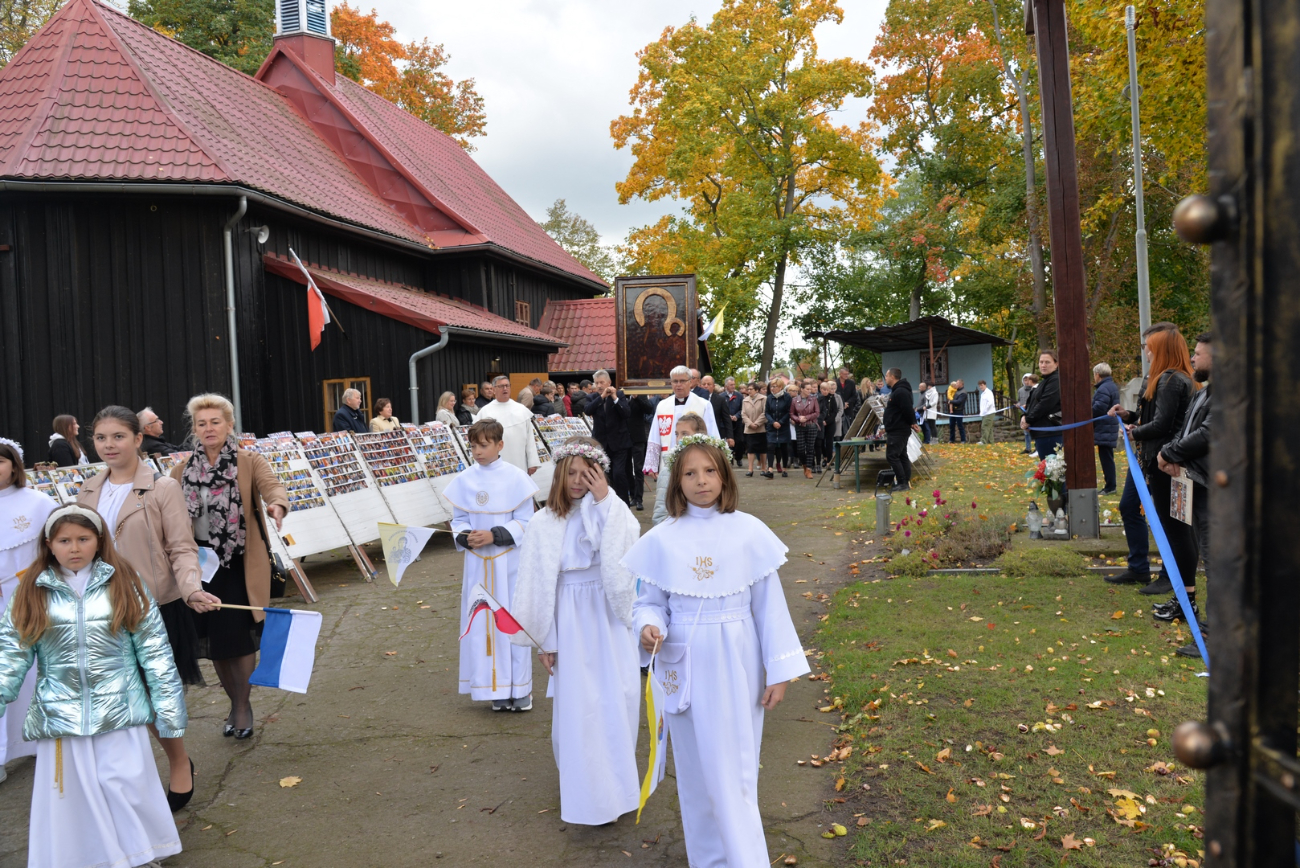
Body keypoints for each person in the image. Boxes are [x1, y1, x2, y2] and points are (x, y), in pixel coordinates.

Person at [625, 436, 809, 868]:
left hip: (737, 661)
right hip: (685, 662)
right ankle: (708, 859)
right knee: (695, 772)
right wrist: (649, 627)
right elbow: (648, 601)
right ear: (676, 481)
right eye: (690, 473)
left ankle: (746, 860)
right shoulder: (662, 539)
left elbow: (769, 608)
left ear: (725, 477)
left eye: (709, 471)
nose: (701, 481)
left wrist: (778, 670)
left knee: (736, 770)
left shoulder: (748, 532)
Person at [0, 503, 186, 867]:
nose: (74, 548)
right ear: (48, 543)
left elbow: (155, 652)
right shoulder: (30, 592)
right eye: (64, 540)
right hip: (63, 716)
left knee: (126, 784)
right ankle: (89, 857)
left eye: (83, 539)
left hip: (122, 710)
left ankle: (140, 852)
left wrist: (168, 709)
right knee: (75, 795)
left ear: (98, 541)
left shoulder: (125, 584)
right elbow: (11, 654)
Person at [80, 406, 216, 811]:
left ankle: (178, 761)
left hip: (151, 608)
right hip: (100, 609)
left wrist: (191, 588)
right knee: (116, 698)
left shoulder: (161, 488)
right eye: (101, 438)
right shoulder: (87, 488)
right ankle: (125, 778)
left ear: (138, 439)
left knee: (153, 696)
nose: (108, 445)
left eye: (118, 437)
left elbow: (180, 546)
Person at [511, 437, 642, 824]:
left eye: (587, 474)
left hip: (606, 613)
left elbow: (624, 549)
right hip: (567, 617)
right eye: (570, 473)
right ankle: (585, 791)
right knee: (578, 708)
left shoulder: (612, 511)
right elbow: (537, 584)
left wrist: (605, 501)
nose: (577, 481)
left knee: (617, 699)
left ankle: (616, 789)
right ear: (557, 474)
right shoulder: (542, 522)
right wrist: (545, 640)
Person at [171, 393, 288, 741]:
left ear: (229, 424)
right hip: (199, 565)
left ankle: (242, 706)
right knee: (216, 642)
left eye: (215, 422)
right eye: (201, 424)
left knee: (236, 638)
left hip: (238, 561)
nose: (208, 429)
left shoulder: (248, 461)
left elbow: (273, 487)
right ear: (195, 429)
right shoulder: (180, 470)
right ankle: (234, 702)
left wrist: (277, 506)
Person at [444, 419, 538, 711]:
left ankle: (520, 689)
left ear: (499, 445)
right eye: (473, 445)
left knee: (511, 622)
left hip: (507, 564)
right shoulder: (464, 480)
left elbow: (526, 521)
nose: (477, 451)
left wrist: (494, 535)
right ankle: (492, 689)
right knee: (482, 622)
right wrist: (466, 536)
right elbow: (458, 520)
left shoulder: (515, 478)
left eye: (484, 445)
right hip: (477, 567)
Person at [1106, 325, 1197, 597]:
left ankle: (1172, 577)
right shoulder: (1158, 378)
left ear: (1161, 349)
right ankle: (1138, 568)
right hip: (1147, 458)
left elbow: (1162, 425)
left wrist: (1136, 432)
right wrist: (1129, 416)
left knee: (1172, 521)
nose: (1145, 350)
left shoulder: (1172, 380)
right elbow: (1151, 418)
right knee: (1128, 506)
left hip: (1164, 460)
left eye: (1148, 346)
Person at [0, 438, 54, 784]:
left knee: (34, 668)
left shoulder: (37, 502)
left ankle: (37, 739)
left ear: (14, 465)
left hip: (30, 598)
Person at [1157, 332, 1212, 654]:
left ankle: (1214, 637)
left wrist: (1168, 454)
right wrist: (1171, 453)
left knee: (1218, 564)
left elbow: (1207, 433)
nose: (1194, 358)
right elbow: (1185, 430)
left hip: (1217, 488)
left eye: (1199, 353)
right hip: (1199, 481)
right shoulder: (1203, 393)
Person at [644, 366, 719, 522]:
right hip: (668, 461)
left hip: (695, 461)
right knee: (669, 496)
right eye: (675, 381)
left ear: (690, 382)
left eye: (682, 381)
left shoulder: (703, 405)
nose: (678, 385)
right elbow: (655, 434)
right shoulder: (662, 406)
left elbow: (713, 434)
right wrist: (652, 462)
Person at [476, 375, 542, 476]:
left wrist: (532, 462)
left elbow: (530, 439)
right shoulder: (485, 412)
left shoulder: (521, 410)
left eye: (507, 386)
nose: (505, 389)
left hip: (519, 461)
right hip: (494, 463)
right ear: (494, 389)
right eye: (501, 386)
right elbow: (478, 440)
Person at [588, 370, 633, 505]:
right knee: (605, 476)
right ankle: (608, 503)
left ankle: (624, 504)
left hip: (619, 443)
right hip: (601, 443)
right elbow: (588, 410)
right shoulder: (593, 398)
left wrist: (614, 397)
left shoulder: (619, 395)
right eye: (597, 383)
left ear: (609, 382)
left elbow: (626, 413)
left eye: (602, 382)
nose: (599, 385)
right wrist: (601, 397)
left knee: (618, 474)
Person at [653, 413, 707, 525]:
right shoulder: (668, 471)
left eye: (685, 434)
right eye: (677, 434)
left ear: (699, 436)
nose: (679, 439)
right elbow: (660, 514)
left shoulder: (711, 467)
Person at [1021, 351, 1062, 459]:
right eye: (1041, 362)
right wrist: (1024, 417)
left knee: (1052, 471)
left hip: (1050, 433)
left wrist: (1029, 420)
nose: (1043, 365)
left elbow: (1045, 403)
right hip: (1041, 432)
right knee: (1046, 470)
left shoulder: (1055, 380)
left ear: (1056, 364)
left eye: (1047, 362)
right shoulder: (1045, 381)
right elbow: (1032, 403)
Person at [883, 368, 916, 491]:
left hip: (898, 429)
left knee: (892, 456)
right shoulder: (898, 390)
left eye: (886, 375)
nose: (885, 378)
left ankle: (902, 482)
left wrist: (912, 422)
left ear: (892, 376)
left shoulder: (900, 391)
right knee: (901, 455)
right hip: (897, 428)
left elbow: (907, 409)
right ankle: (904, 482)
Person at [1091, 364, 1121, 494]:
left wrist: (1086, 414)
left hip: (1104, 427)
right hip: (1107, 426)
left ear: (1097, 374)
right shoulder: (1111, 386)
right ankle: (1110, 485)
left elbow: (1099, 408)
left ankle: (1110, 487)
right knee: (1107, 457)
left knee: (1106, 459)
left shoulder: (1103, 388)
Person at [627, 394, 656, 511]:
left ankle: (639, 499)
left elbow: (649, 409)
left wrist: (637, 397)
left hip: (637, 437)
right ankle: (632, 495)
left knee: (638, 468)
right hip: (624, 437)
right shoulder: (620, 395)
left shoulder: (641, 395)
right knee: (627, 469)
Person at [791, 380, 821, 478]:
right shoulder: (795, 400)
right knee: (800, 449)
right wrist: (798, 419)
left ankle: (809, 469)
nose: (809, 391)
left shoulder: (813, 399)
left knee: (810, 448)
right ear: (802, 389)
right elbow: (791, 413)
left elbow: (817, 412)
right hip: (800, 426)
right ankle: (804, 465)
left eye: (810, 389)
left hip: (811, 425)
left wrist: (806, 418)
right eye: (807, 389)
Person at [764, 378, 791, 478]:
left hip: (783, 426)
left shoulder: (787, 397)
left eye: (774, 386)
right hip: (772, 426)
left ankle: (784, 468)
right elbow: (766, 412)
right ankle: (770, 469)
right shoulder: (769, 398)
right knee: (770, 446)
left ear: (780, 387)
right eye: (771, 386)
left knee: (784, 447)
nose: (772, 388)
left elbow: (789, 412)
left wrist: (780, 422)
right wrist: (772, 422)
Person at [742, 382, 769, 478]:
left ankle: (763, 468)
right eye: (748, 389)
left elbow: (765, 412)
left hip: (760, 428)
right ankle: (750, 469)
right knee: (750, 449)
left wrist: (757, 423)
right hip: (749, 429)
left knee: (762, 449)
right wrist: (750, 423)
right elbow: (743, 414)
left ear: (756, 390)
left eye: (751, 389)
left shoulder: (763, 399)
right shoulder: (745, 400)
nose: (749, 391)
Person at [702, 376, 735, 451]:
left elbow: (726, 419)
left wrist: (730, 436)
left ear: (713, 386)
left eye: (708, 384)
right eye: (704, 384)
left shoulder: (720, 400)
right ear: (700, 386)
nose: (706, 386)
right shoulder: (696, 399)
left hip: (716, 434)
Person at [818, 380, 845, 470]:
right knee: (821, 441)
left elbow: (835, 411)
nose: (826, 391)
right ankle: (825, 457)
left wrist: (828, 421)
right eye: (824, 389)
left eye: (828, 389)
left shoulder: (833, 398)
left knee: (829, 441)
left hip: (831, 422)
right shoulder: (819, 398)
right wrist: (822, 420)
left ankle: (829, 460)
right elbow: (818, 411)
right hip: (821, 422)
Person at [722, 378, 744, 463]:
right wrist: (727, 416)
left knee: (740, 441)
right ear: (726, 386)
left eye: (734, 384)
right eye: (731, 385)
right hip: (726, 423)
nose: (733, 386)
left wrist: (737, 416)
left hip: (737, 422)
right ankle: (730, 459)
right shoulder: (722, 396)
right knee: (729, 441)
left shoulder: (739, 396)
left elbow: (743, 409)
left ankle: (739, 457)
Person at [1017, 374, 1037, 453]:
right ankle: (1028, 448)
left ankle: (1036, 448)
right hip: (1024, 414)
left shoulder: (1035, 389)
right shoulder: (1020, 391)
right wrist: (1018, 405)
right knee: (1026, 433)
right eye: (1025, 380)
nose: (1027, 382)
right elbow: (1019, 400)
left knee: (1035, 431)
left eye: (1028, 380)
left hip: (1033, 413)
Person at [977, 380, 997, 445]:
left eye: (982, 385)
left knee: (984, 426)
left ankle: (983, 441)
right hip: (984, 413)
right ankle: (990, 441)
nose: (980, 387)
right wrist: (982, 412)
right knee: (989, 428)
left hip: (989, 413)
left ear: (985, 385)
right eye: (979, 386)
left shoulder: (989, 392)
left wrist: (985, 410)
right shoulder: (982, 394)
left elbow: (990, 403)